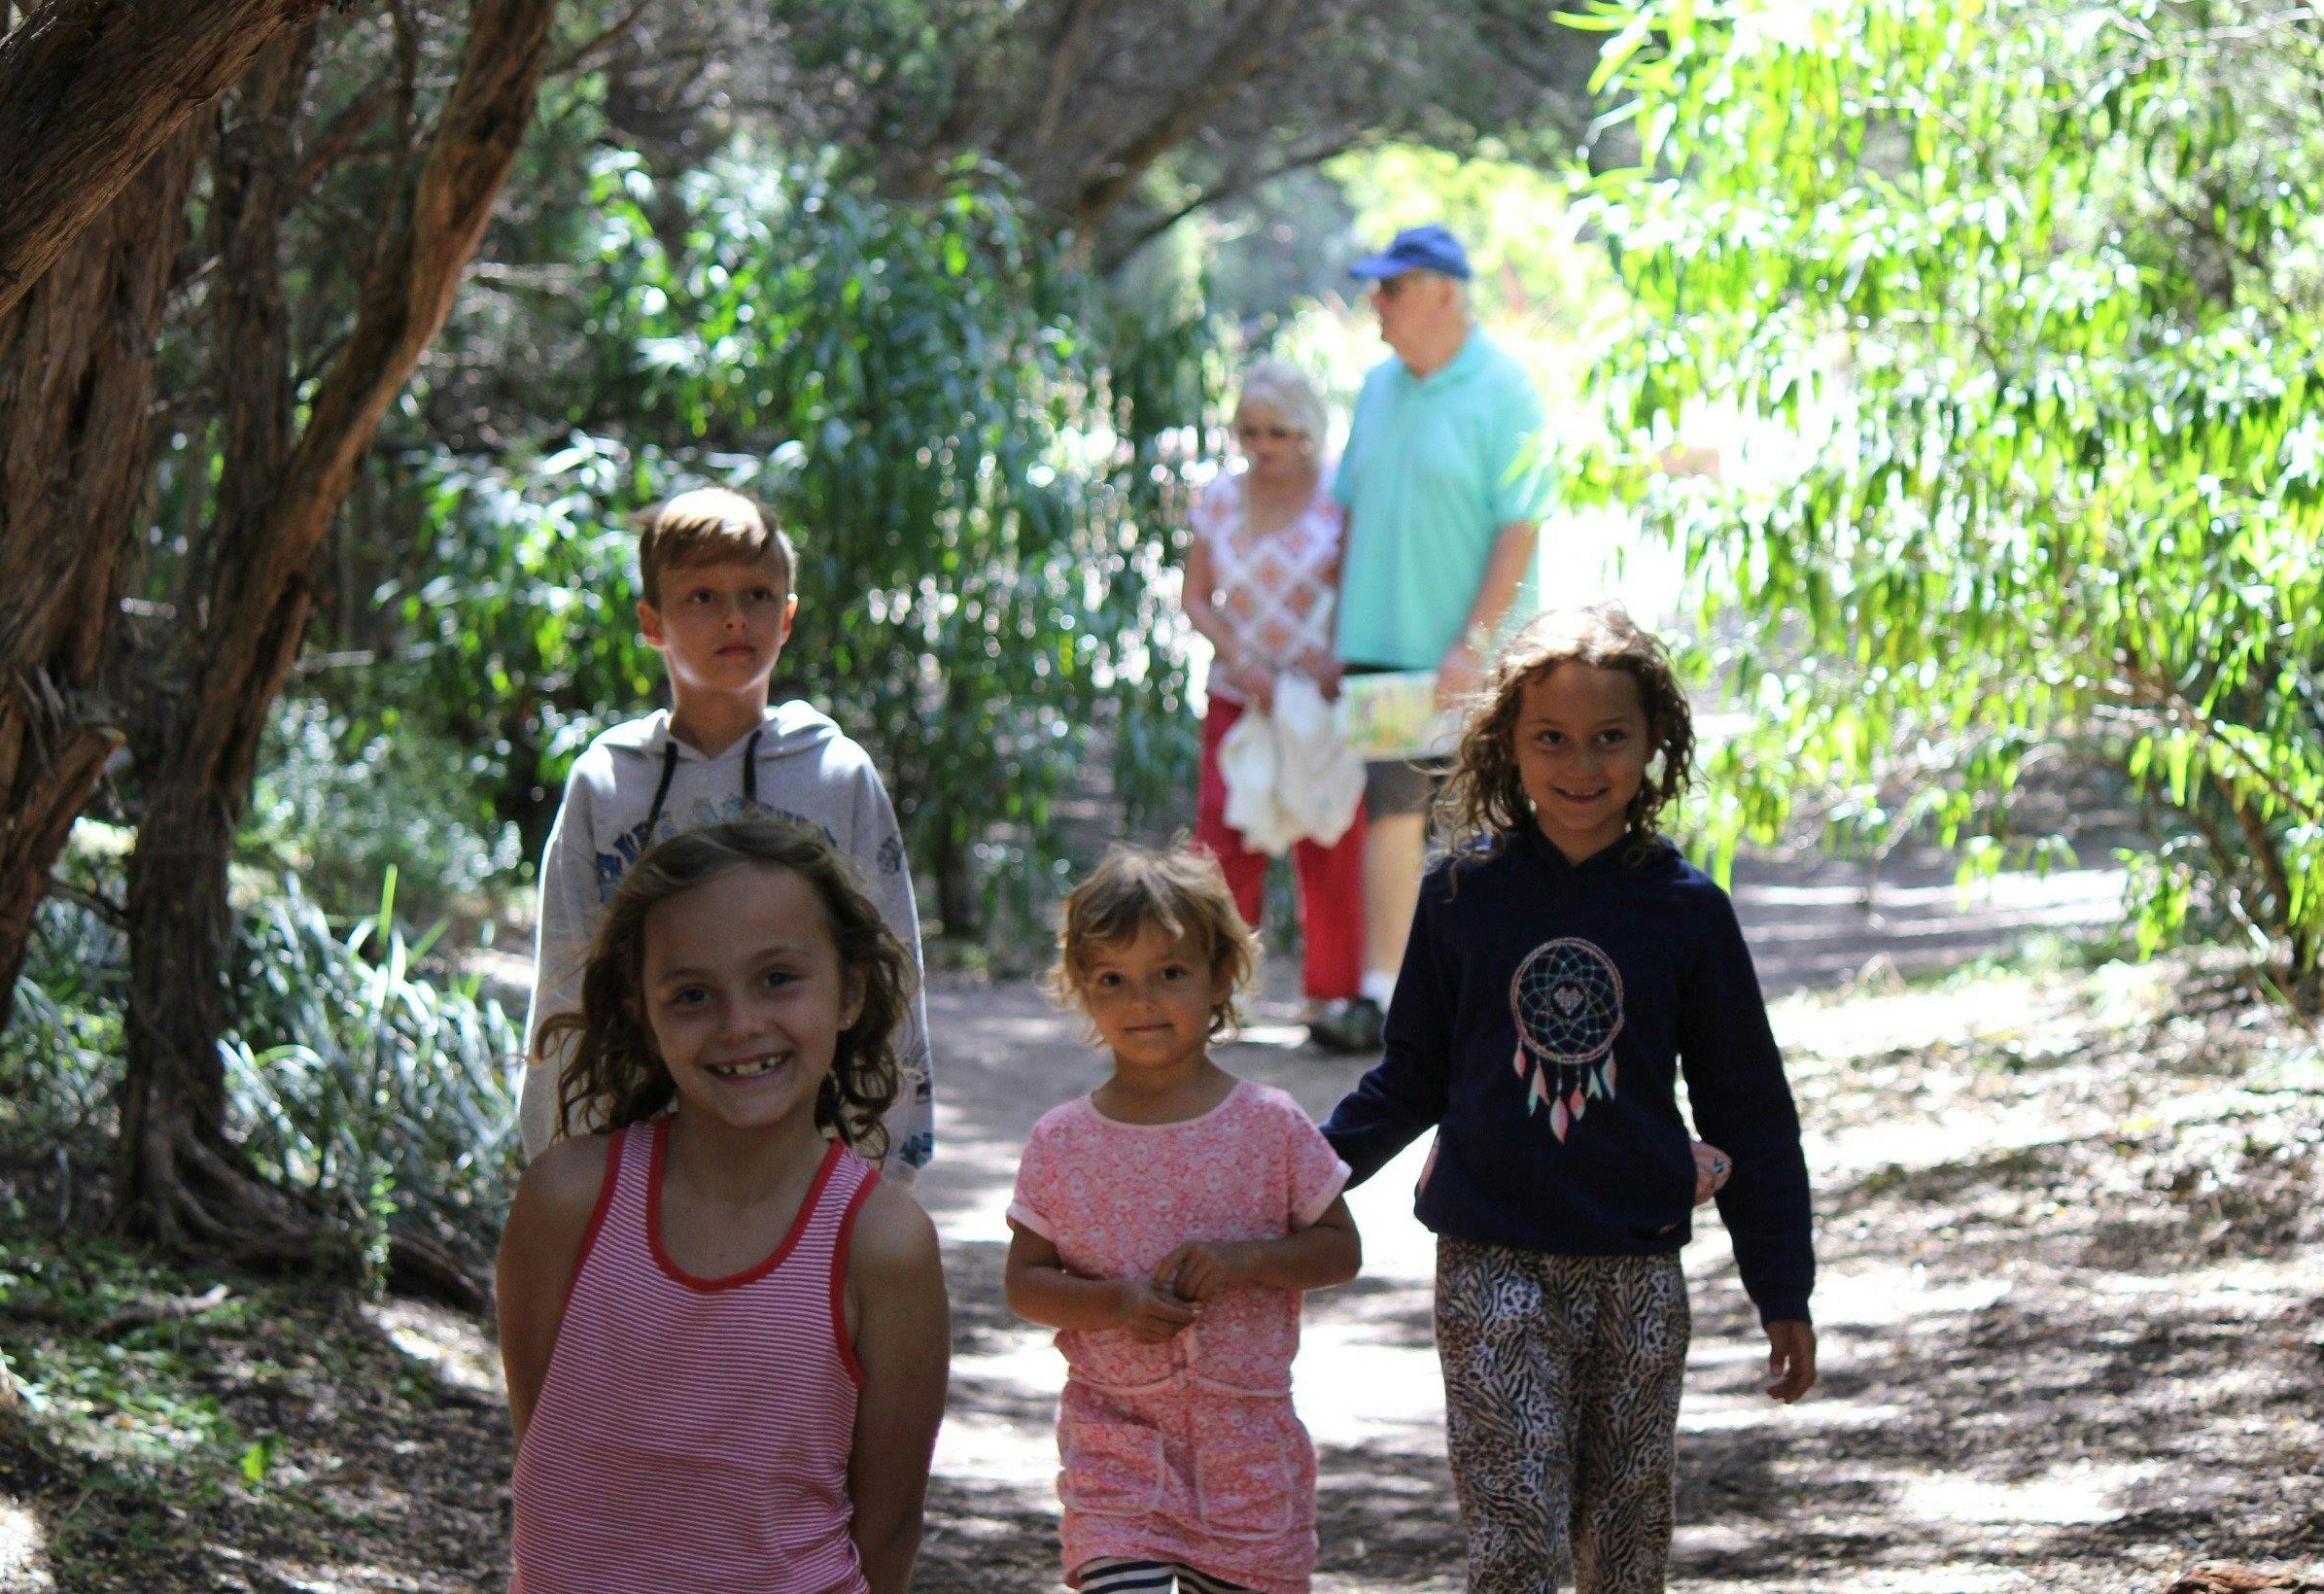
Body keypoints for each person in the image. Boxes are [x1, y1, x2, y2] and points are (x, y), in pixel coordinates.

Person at [1321, 605, 1817, 1594]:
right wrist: (1293, 1171)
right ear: (1508, 743)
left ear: (1655, 744)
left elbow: (1747, 1106)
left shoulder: (1687, 911)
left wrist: (1783, 1289)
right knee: (1515, 1542)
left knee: (1626, 1551)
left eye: (1609, 738)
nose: (1580, 764)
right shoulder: (1462, 895)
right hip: (1489, 1258)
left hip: (1636, 1271)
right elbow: (1409, 1076)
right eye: (1551, 737)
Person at [498, 818, 950, 1594]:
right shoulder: (567, 1201)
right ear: (642, 1013)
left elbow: (888, 1525)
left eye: (777, 978)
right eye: (693, 994)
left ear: (849, 992)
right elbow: (546, 1442)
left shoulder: (882, 1245)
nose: (740, 1025)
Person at [517, 487, 933, 1175]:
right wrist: (561, 1159)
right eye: (703, 597)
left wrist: (886, 1163)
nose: (735, 617)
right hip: (641, 1153)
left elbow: (892, 975)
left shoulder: (836, 775)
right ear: (652, 621)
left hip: (809, 1151)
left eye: (758, 595)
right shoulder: (607, 783)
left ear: (789, 616)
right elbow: (565, 982)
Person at [1005, 847, 1363, 1594]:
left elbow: (1340, 1251)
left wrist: (1243, 1261)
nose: (1142, 1000)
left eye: (1169, 973)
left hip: (1247, 1458)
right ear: (1083, 992)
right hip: (1116, 1454)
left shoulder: (1270, 1125)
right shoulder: (1062, 1142)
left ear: (1221, 976)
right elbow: (1027, 1284)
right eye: (1113, 979)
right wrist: (1114, 1304)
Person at [1332, 223, 1558, 1049]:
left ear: (1442, 294)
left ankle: (1489, 995)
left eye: (1391, 290)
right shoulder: (1378, 387)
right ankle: (1383, 996)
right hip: (1381, 653)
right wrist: (1334, 629)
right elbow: (1348, 511)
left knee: (1480, 823)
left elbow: (1520, 524)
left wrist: (1476, 639)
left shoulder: (1504, 389)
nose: (1377, 306)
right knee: (1389, 813)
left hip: (1476, 662)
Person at [1180, 359, 1368, 1046]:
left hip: (1320, 697)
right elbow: (1195, 597)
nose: (1263, 447)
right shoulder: (1219, 500)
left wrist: (1337, 655)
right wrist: (1241, 660)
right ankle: (1222, 994)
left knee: (1332, 837)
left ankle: (1333, 1000)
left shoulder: (1339, 498)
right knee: (1225, 842)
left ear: (1309, 433)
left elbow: (1361, 586)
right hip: (1241, 694)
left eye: (1279, 433)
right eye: (1250, 431)